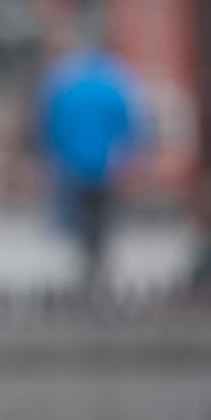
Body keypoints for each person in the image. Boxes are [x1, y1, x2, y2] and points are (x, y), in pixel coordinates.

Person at [38, 40, 142, 287]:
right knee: (102, 210)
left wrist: (57, 154)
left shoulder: (66, 86)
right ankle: (99, 253)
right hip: (106, 162)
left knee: (82, 209)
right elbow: (127, 124)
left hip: (75, 161)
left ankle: (87, 253)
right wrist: (128, 155)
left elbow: (52, 124)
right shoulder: (114, 85)